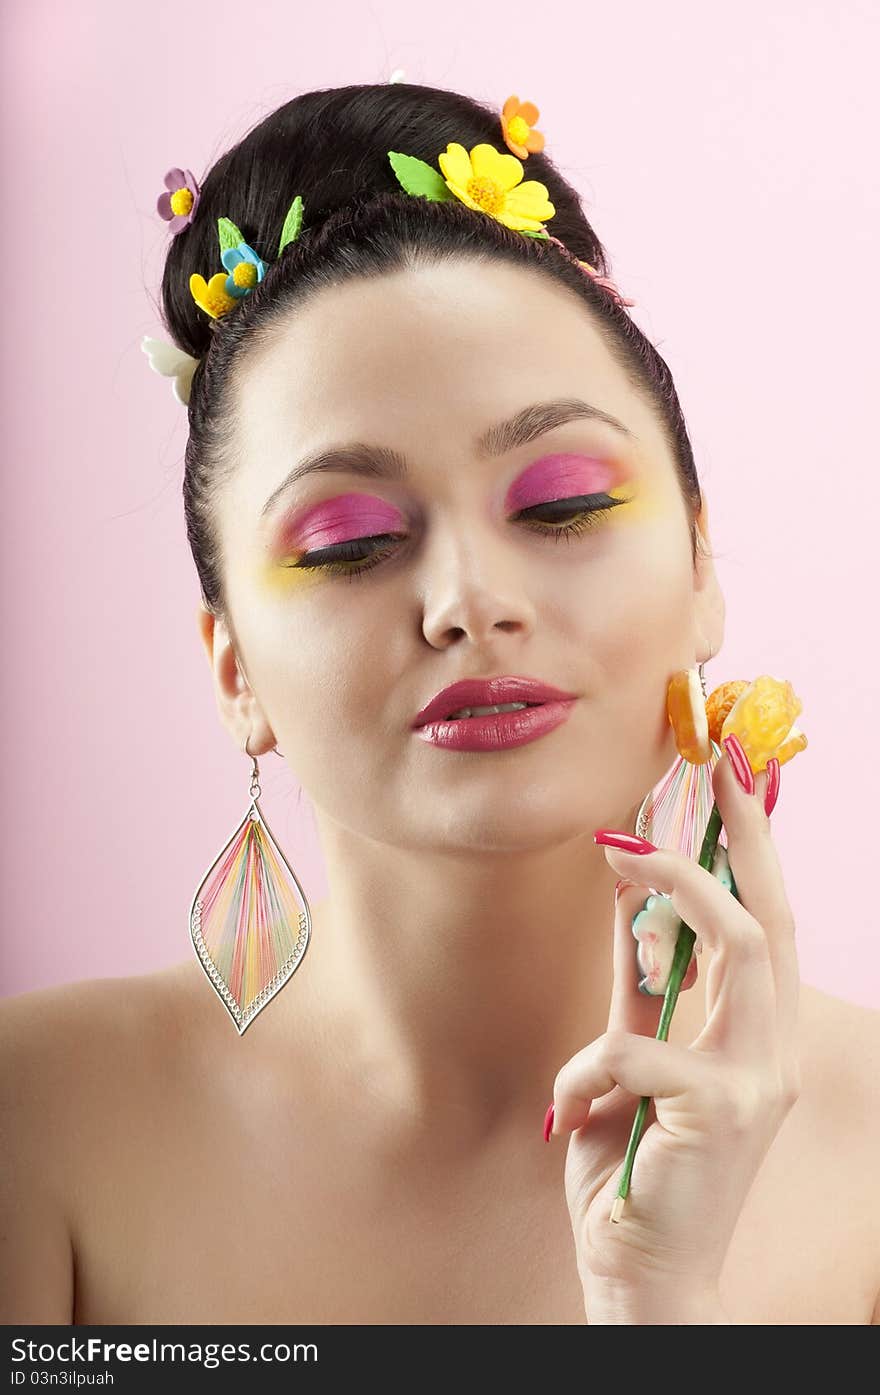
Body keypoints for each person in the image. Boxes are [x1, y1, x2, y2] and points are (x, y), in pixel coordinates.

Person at [2, 81, 879, 1326]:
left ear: (698, 566)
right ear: (233, 669)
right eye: (349, 540)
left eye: (562, 502)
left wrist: (658, 1303)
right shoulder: (39, 1131)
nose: (468, 601)